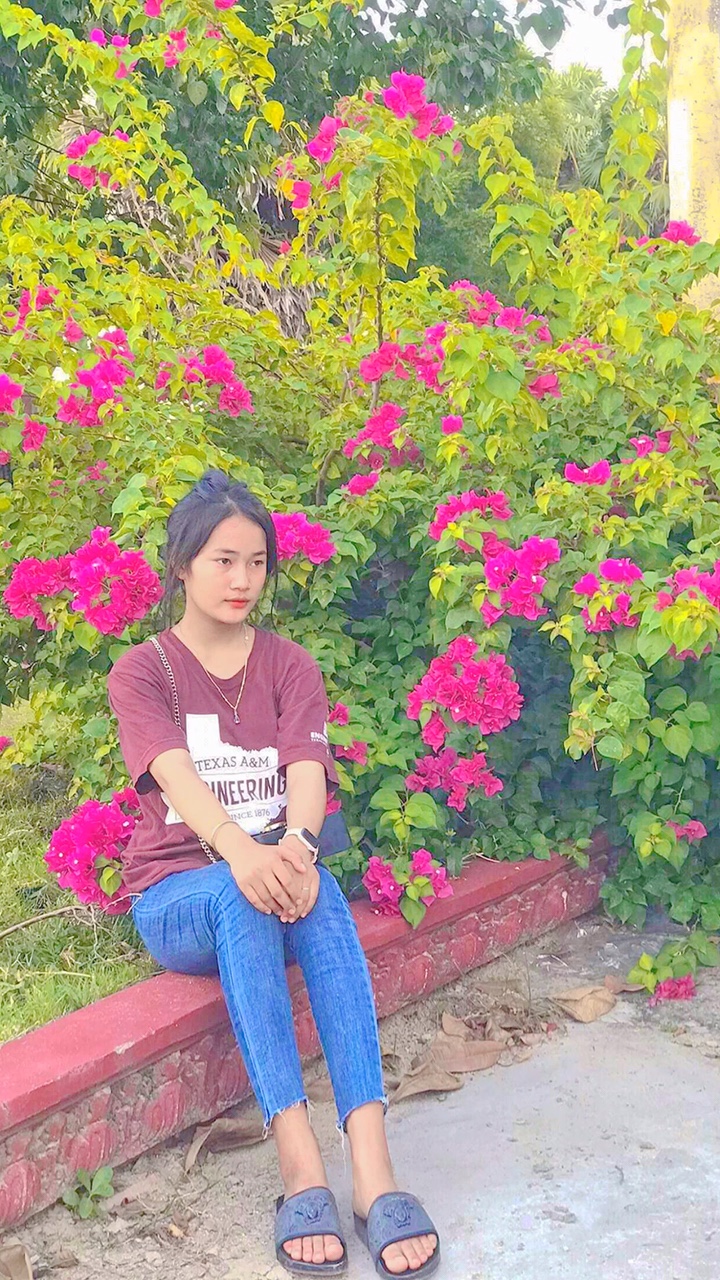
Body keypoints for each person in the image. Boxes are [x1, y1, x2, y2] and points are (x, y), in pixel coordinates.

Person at [107, 471, 440, 1278]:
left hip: (273, 869)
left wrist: (295, 846)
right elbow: (174, 774)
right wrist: (245, 852)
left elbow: (306, 773)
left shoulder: (289, 665)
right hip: (180, 894)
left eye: (256, 563)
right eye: (224, 561)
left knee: (311, 892)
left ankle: (372, 1167)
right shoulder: (144, 671)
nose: (243, 580)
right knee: (241, 892)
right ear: (182, 565)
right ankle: (298, 1162)